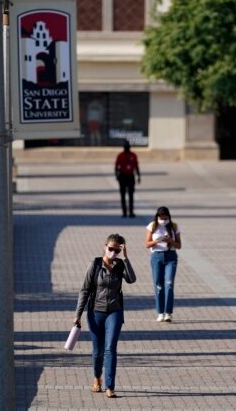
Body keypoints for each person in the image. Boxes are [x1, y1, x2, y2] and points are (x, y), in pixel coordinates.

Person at [73, 234, 136, 398]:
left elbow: (132, 279)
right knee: (98, 351)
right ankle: (96, 378)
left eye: (117, 250)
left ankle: (110, 386)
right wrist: (77, 314)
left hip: (115, 311)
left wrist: (126, 258)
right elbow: (85, 290)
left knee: (110, 348)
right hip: (95, 312)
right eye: (111, 249)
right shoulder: (94, 265)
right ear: (105, 246)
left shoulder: (120, 265)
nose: (113, 252)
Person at [145, 206, 182, 322]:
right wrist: (157, 240)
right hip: (157, 256)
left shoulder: (174, 226)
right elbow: (147, 244)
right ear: (157, 217)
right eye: (161, 218)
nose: (163, 220)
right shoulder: (152, 226)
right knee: (158, 284)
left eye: (166, 218)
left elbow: (179, 245)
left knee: (169, 283)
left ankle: (168, 313)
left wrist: (170, 241)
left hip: (171, 256)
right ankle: (160, 312)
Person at [114, 140, 141, 218]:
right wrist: (116, 175)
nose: (126, 148)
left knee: (131, 195)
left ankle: (131, 212)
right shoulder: (120, 155)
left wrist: (139, 176)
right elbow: (116, 166)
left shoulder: (133, 155)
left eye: (127, 146)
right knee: (123, 195)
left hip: (130, 177)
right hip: (123, 176)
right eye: (125, 146)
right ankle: (124, 212)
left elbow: (136, 166)